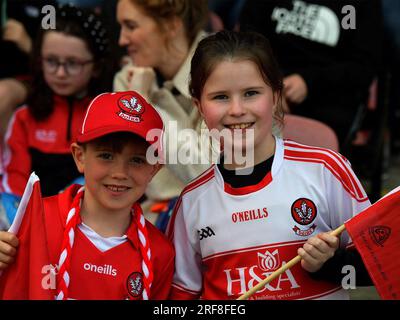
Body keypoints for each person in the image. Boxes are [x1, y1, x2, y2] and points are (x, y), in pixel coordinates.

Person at [166, 30, 372, 300]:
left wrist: (329, 265)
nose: (237, 109)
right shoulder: (191, 202)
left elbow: (383, 263)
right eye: (220, 97)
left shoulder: (326, 170)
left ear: (275, 97)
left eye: (251, 93)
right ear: (199, 106)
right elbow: (179, 298)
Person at [0, 90, 174, 300]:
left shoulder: (160, 252)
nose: (119, 173)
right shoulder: (38, 218)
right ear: (80, 157)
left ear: (155, 169)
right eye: (106, 156)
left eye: (137, 160)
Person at [0, 5, 114, 226]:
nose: (60, 73)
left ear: (97, 66)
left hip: (90, 222)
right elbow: (14, 186)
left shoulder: (109, 118)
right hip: (30, 222)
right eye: (51, 61)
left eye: (72, 63)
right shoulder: (25, 117)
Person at [113, 0, 210, 227]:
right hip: (154, 216)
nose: (122, 40)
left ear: (171, 25)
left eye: (131, 26)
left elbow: (206, 174)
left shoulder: (224, 70)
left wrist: (143, 107)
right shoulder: (128, 77)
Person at [238, 0, 382, 147]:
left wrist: (308, 82)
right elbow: (248, 43)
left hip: (328, 96)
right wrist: (272, 85)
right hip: (266, 83)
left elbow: (362, 67)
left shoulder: (353, 6)